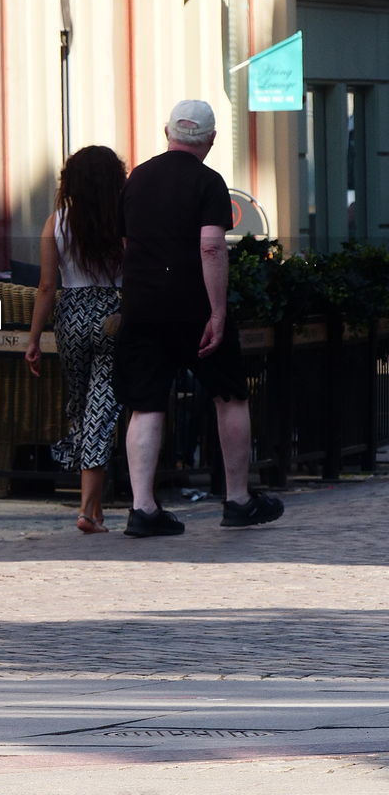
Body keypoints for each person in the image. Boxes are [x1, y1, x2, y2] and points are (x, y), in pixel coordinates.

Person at [112, 99, 284, 537]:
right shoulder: (209, 182)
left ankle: (143, 508)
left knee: (146, 403)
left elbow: (127, 246)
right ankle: (239, 499)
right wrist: (218, 311)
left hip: (143, 306)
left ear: (165, 131)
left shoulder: (137, 179)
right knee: (229, 395)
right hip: (194, 308)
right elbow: (210, 246)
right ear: (209, 140)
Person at [25, 146, 127, 533]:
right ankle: (87, 509)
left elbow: (47, 286)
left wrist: (34, 339)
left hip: (71, 314)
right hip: (112, 314)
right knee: (102, 410)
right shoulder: (123, 220)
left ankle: (94, 510)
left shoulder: (56, 222)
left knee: (82, 405)